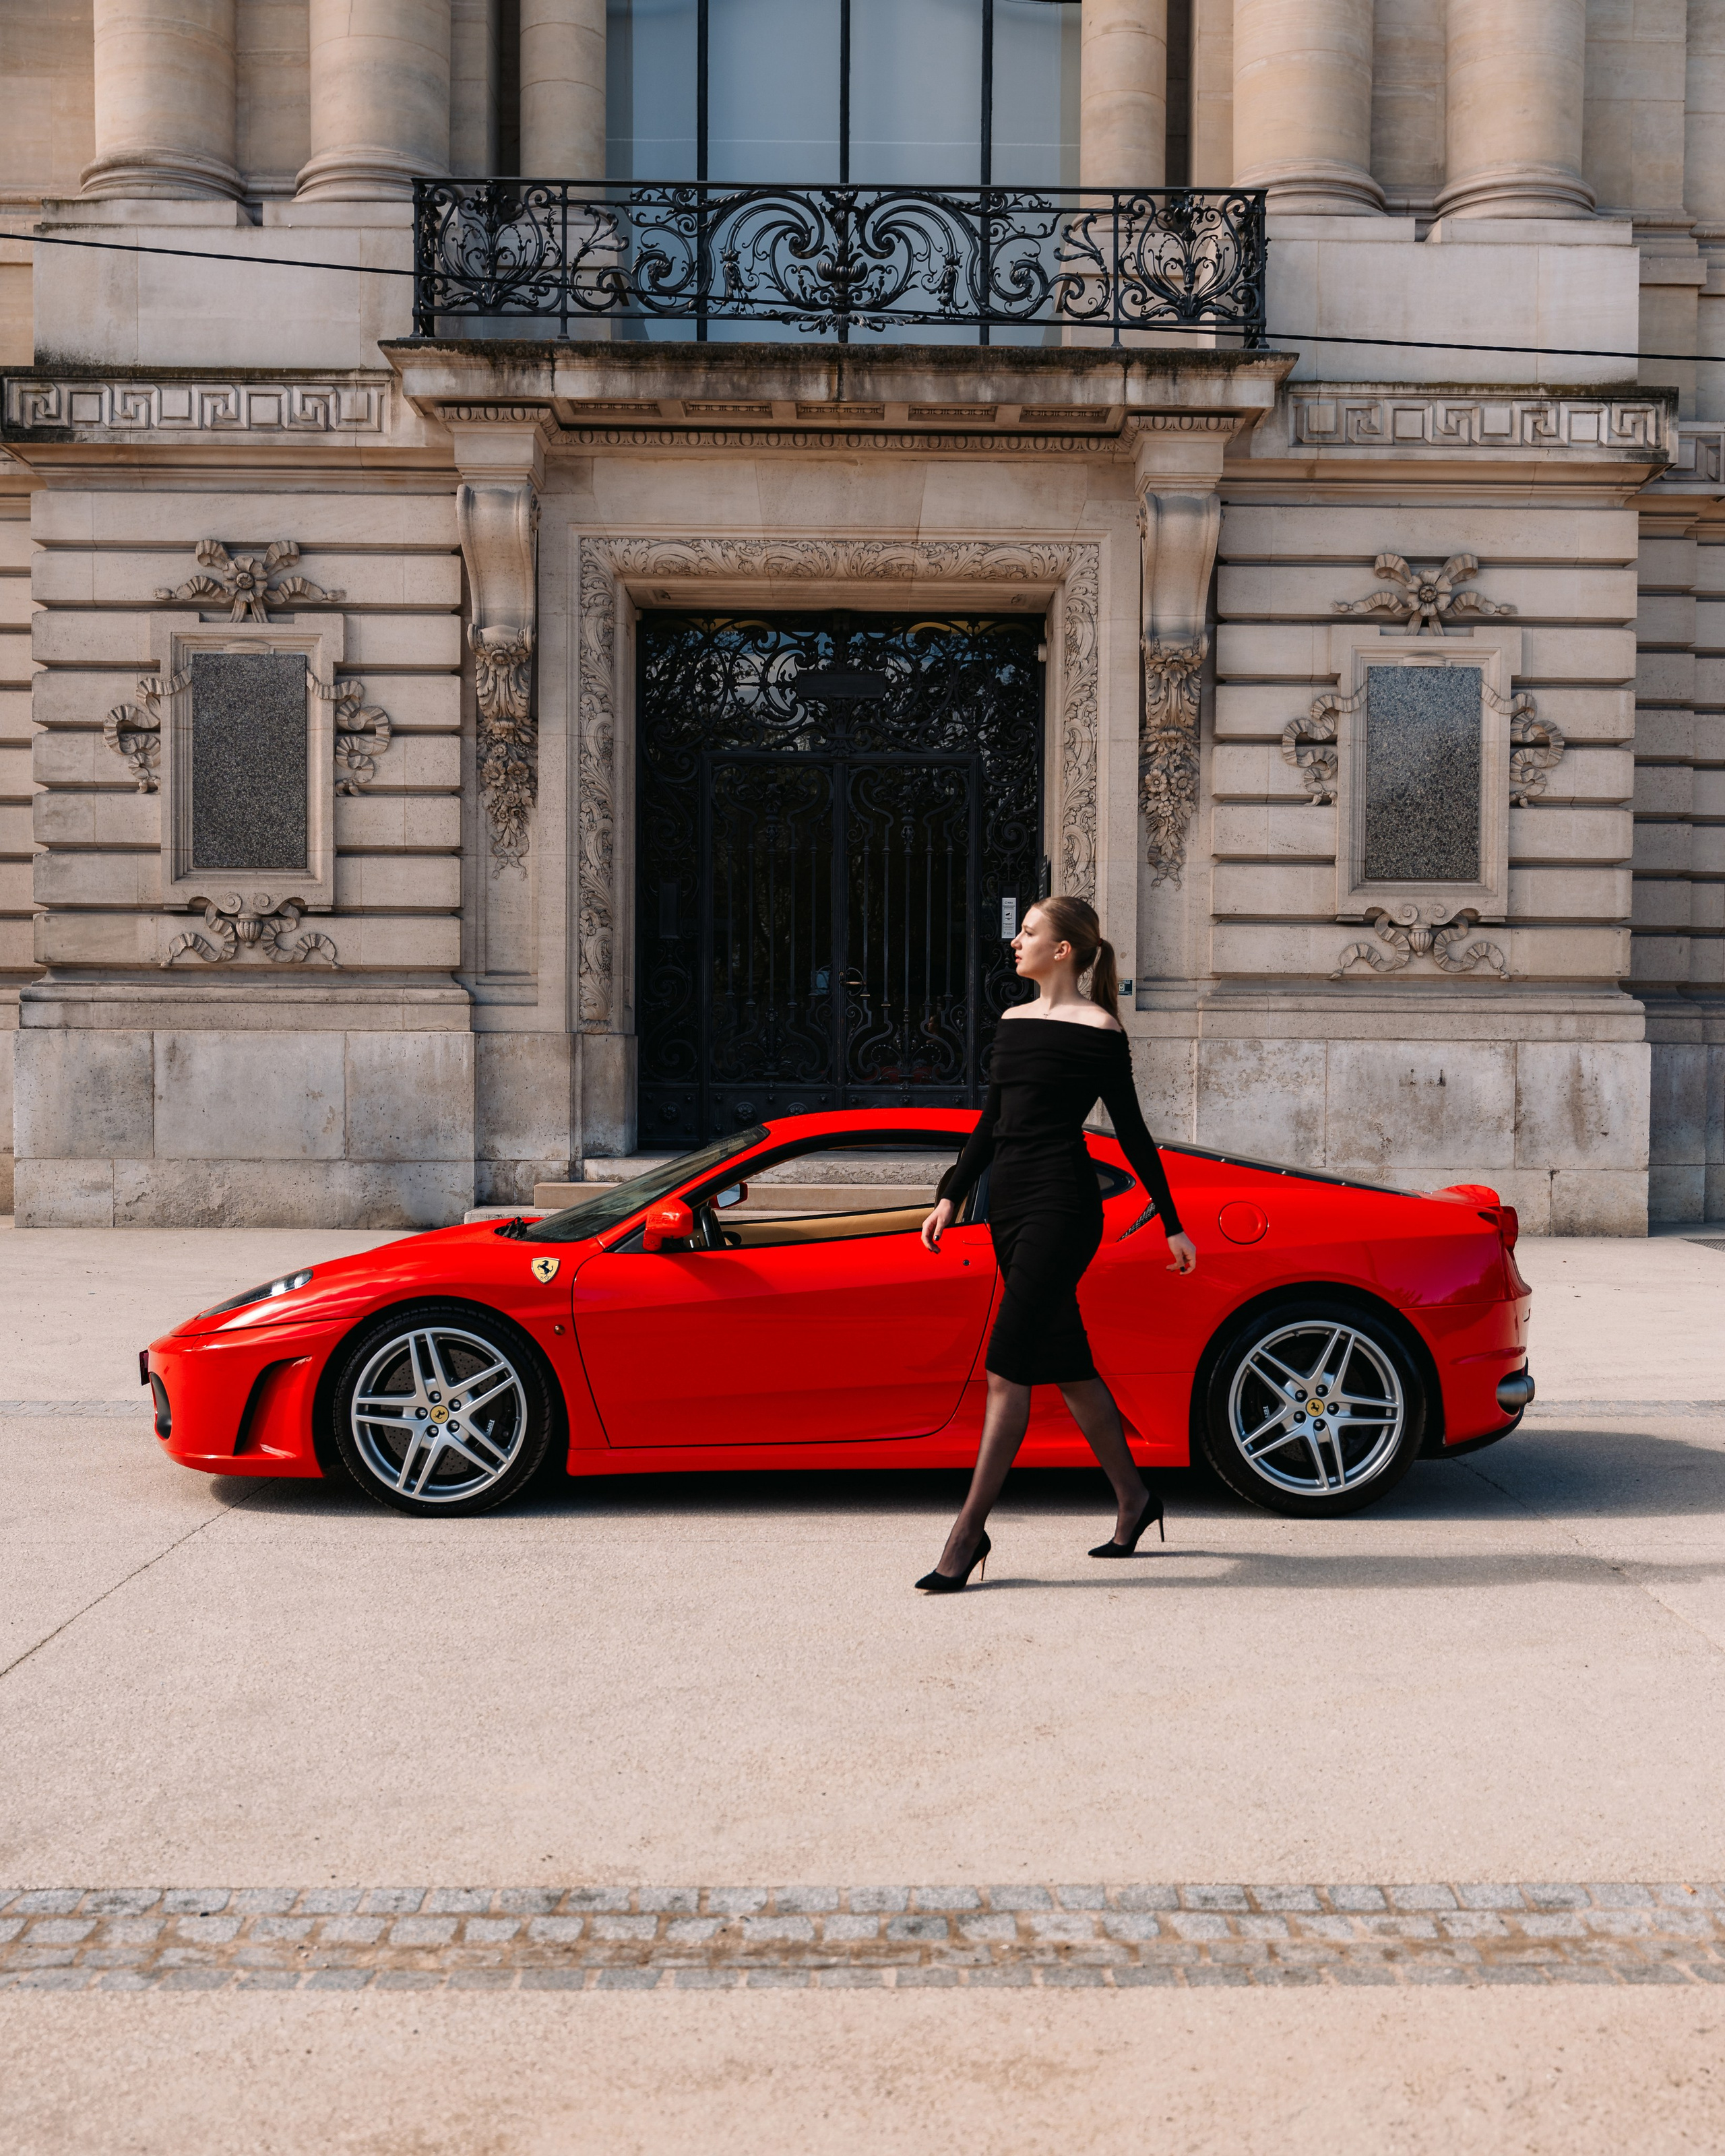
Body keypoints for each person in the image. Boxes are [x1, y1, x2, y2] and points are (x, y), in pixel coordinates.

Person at [914, 895, 1198, 1592]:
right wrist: (952, 1191)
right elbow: (992, 1119)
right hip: (1008, 1203)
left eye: (1030, 931)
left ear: (1063, 949)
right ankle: (1134, 1497)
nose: (1016, 941)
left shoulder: (1099, 1029)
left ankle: (968, 1531)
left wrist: (1170, 1217)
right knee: (1066, 1361)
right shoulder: (1012, 1023)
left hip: (1063, 1206)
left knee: (1007, 1365)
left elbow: (1131, 1131)